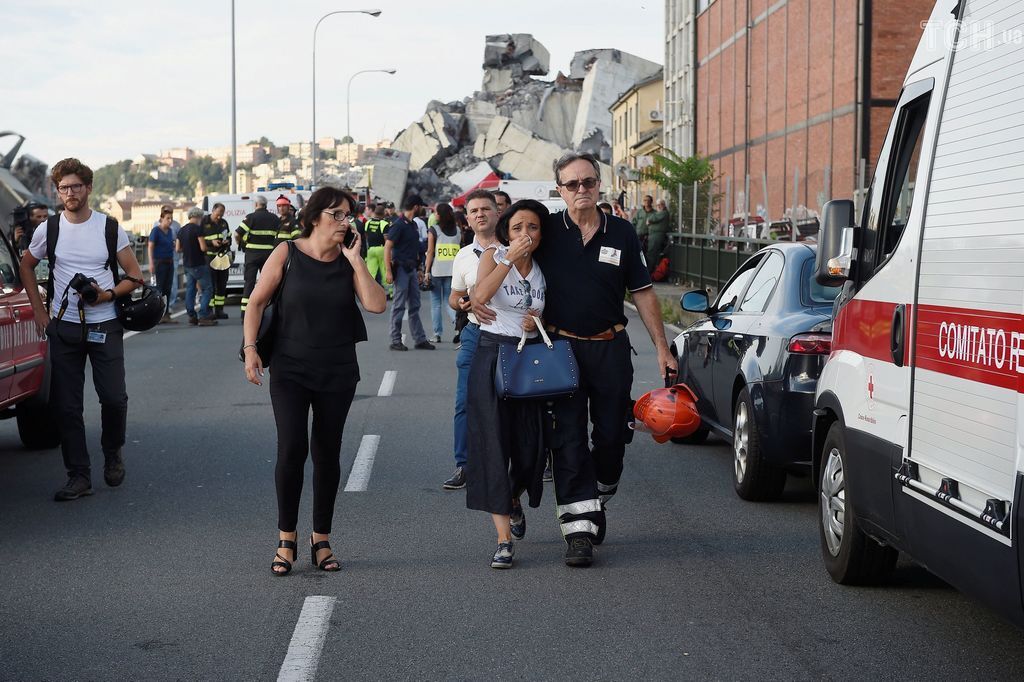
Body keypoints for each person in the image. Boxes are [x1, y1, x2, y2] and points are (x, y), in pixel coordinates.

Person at [475, 152, 677, 567]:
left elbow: (642, 293)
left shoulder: (622, 232)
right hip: (560, 350)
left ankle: (601, 493)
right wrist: (467, 298)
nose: (581, 190)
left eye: (588, 183)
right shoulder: (547, 231)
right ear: (560, 190)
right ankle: (578, 531)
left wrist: (662, 345)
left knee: (609, 438)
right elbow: (504, 256)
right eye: (572, 185)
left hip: (611, 347)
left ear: (599, 184)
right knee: (566, 439)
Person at [242, 186, 386, 576]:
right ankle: (286, 538)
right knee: (291, 449)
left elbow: (376, 304)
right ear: (316, 216)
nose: (345, 222)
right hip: (290, 368)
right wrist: (251, 348)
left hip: (338, 371)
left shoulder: (347, 259)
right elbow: (256, 301)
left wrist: (356, 261)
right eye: (337, 214)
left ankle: (321, 539)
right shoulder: (287, 252)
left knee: (327, 454)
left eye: (348, 215)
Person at [19, 157, 144, 501]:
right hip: (65, 328)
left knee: (114, 399)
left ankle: (113, 451)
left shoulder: (108, 227)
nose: (70, 193)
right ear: (57, 192)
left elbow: (136, 276)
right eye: (63, 188)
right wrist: (40, 313)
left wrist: (107, 294)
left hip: (105, 324)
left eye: (76, 186)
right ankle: (79, 475)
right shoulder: (50, 228)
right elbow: (26, 265)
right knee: (67, 407)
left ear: (88, 188)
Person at [465, 199, 548, 569]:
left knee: (532, 446)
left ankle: (512, 497)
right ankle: (502, 540)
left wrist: (538, 322)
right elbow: (479, 297)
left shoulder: (545, 270)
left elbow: (549, 309)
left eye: (531, 228)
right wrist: (508, 259)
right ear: (506, 232)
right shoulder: (495, 256)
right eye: (517, 228)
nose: (525, 235)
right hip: (492, 354)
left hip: (528, 359)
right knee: (494, 445)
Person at [443, 190, 500, 490]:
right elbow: (454, 296)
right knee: (465, 401)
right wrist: (460, 304)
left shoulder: (513, 248)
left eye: (486, 209)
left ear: (497, 213)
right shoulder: (464, 255)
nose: (480, 214)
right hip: (475, 334)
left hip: (511, 337)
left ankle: (516, 462)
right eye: (474, 210)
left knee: (514, 401)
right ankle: (463, 465)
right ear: (467, 219)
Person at [384, 194, 435, 351]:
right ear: (415, 207)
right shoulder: (399, 225)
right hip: (401, 269)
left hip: (411, 269)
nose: (422, 209)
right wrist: (388, 271)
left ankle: (419, 339)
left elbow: (414, 249)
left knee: (415, 305)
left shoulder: (412, 225)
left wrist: (419, 268)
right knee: (399, 305)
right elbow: (388, 247)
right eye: (421, 206)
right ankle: (395, 339)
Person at [236, 195, 281, 314]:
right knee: (267, 282)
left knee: (249, 282)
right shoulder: (274, 218)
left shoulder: (251, 217)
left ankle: (245, 312)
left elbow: (237, 233)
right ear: (266, 205)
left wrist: (242, 243)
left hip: (252, 254)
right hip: (268, 255)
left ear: (256, 205)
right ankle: (268, 310)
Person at [424, 203, 460, 343]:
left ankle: (437, 334)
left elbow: (430, 252)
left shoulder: (434, 230)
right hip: (453, 271)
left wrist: (427, 271)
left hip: (437, 271)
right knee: (449, 302)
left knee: (436, 304)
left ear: (439, 215)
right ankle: (458, 326)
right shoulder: (457, 230)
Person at [178, 207, 216, 326]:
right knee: (208, 288)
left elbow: (177, 248)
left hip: (187, 264)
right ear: (199, 217)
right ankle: (203, 315)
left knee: (190, 289)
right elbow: (203, 247)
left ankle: (191, 315)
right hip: (198, 263)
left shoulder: (182, 230)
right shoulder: (198, 229)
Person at [202, 203, 231, 319]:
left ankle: (219, 310)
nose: (219, 217)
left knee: (221, 284)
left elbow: (228, 235)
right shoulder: (204, 222)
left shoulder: (224, 223)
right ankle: (209, 310)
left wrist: (227, 241)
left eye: (222, 214)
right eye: (218, 214)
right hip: (209, 256)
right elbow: (199, 239)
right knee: (211, 285)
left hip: (222, 257)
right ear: (213, 210)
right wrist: (211, 242)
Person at [149, 209, 177, 324]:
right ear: (161, 219)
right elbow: (150, 247)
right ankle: (157, 315)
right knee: (159, 289)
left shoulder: (170, 231)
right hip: (159, 262)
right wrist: (151, 263)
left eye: (171, 218)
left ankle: (166, 314)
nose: (170, 221)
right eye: (167, 218)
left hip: (169, 262)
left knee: (167, 289)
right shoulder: (156, 231)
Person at [363, 203, 391, 294]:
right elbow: (387, 239)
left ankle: (369, 291)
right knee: (385, 270)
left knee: (371, 271)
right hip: (382, 249)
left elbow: (367, 236)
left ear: (374, 213)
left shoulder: (367, 222)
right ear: (383, 213)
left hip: (370, 250)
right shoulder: (384, 223)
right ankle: (389, 292)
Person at [646, 199, 671, 273]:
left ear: (664, 205)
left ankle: (650, 272)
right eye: (657, 205)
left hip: (657, 236)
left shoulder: (664, 213)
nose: (658, 206)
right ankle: (651, 272)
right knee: (651, 254)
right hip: (653, 236)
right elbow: (652, 217)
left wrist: (650, 220)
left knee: (652, 254)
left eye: (660, 204)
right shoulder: (658, 213)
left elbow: (652, 218)